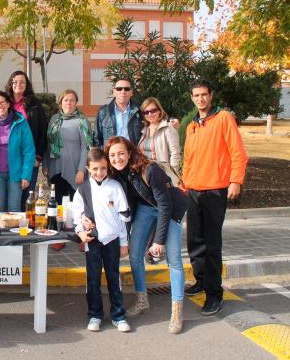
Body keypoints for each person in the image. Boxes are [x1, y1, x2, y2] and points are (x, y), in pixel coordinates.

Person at [106, 136, 188, 333]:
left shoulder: (150, 170)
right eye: (112, 155)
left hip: (169, 209)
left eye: (121, 153)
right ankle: (142, 300)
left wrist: (158, 241)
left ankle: (177, 310)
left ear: (130, 152)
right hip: (145, 208)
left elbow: (165, 204)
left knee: (174, 259)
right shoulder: (118, 175)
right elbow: (127, 209)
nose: (117, 158)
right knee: (135, 255)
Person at [182, 79, 248, 316]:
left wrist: (235, 181)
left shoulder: (224, 119)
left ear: (211, 96)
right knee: (194, 241)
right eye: (196, 95)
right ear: (192, 98)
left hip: (216, 190)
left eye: (204, 95)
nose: (200, 99)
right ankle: (200, 280)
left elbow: (238, 153)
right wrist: (184, 183)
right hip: (194, 190)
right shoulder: (192, 125)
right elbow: (189, 159)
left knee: (211, 245)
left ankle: (214, 294)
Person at [71, 148, 130, 333]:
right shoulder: (82, 189)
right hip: (92, 241)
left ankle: (118, 316)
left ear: (107, 168)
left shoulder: (115, 187)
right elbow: (76, 215)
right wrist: (80, 232)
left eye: (103, 168)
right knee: (93, 279)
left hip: (112, 241)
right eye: (95, 169)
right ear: (88, 168)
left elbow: (124, 218)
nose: (99, 173)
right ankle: (95, 315)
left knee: (114, 278)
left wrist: (123, 243)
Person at [5, 71, 47, 209]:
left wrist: (38, 156)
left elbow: (43, 131)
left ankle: (25, 227)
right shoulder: (5, 103)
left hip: (29, 157)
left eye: (22, 81)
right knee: (9, 195)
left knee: (26, 195)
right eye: (15, 81)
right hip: (9, 158)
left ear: (27, 84)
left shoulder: (34, 105)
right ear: (10, 84)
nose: (19, 84)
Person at [42, 89, 92, 204]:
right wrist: (45, 165)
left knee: (77, 206)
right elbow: (48, 144)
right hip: (56, 169)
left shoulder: (82, 121)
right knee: (58, 206)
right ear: (60, 103)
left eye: (72, 100)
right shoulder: (54, 120)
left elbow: (86, 147)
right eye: (66, 100)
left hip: (75, 170)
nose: (69, 103)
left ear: (76, 103)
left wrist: (82, 170)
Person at [137, 97, 181, 185]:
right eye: (146, 112)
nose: (150, 114)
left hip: (164, 176)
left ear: (159, 111)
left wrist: (172, 175)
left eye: (153, 110)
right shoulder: (144, 130)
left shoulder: (168, 127)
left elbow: (175, 153)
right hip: (146, 175)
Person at [92, 78, 142, 148]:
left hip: (133, 155)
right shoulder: (103, 112)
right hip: (110, 156)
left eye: (126, 89)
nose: (123, 91)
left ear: (131, 92)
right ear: (114, 92)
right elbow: (96, 139)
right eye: (119, 89)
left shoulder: (139, 111)